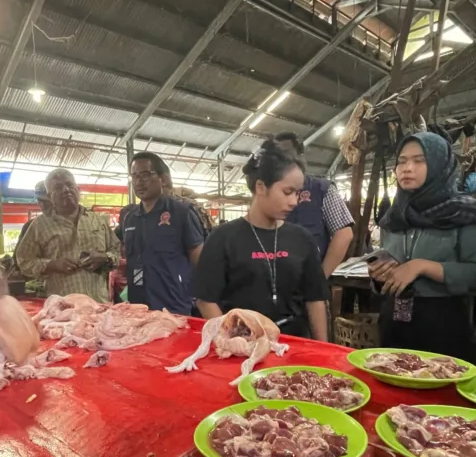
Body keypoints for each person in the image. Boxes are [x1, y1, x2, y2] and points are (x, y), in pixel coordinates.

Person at [369, 132, 476, 367]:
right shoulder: (394, 216)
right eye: (401, 161)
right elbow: (392, 262)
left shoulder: (467, 215)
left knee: (440, 394)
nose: (407, 168)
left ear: (440, 165)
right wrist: (381, 276)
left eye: (419, 160)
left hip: (444, 326)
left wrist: (422, 267)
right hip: (394, 323)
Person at [193, 139, 328, 340]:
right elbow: (205, 300)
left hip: (293, 343)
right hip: (241, 343)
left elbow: (315, 299)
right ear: (261, 187)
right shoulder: (223, 238)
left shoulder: (302, 239)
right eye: (287, 192)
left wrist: (322, 349)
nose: (294, 201)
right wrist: (230, 341)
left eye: (297, 193)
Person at [16, 168, 120, 303]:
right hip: (64, 311)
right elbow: (24, 261)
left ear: (78, 189)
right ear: (49, 196)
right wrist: (52, 264)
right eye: (58, 187)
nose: (66, 190)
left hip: (99, 305)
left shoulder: (97, 221)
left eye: (69, 185)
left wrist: (105, 258)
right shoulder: (39, 226)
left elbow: (116, 251)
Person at [118, 152, 204, 314]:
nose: (138, 182)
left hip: (172, 305)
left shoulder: (181, 213)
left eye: (145, 175)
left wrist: (198, 298)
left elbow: (199, 260)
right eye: (134, 176)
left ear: (162, 179)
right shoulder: (130, 218)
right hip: (138, 305)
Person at [273, 132, 355, 277]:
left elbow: (343, 234)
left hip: (309, 279)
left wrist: (320, 279)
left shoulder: (322, 189)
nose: (280, 160)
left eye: (286, 154)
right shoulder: (268, 192)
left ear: (301, 157)